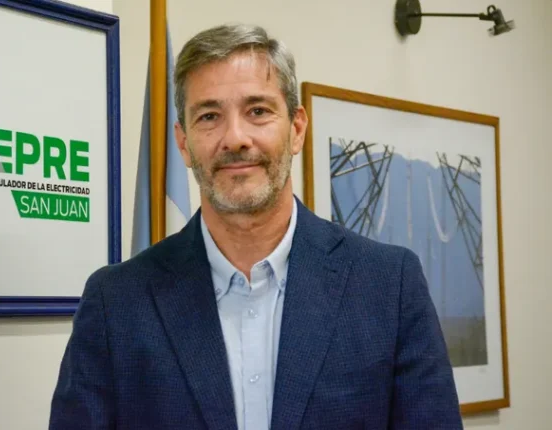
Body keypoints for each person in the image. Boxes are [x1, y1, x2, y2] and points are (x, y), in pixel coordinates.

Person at [49, 23, 463, 430]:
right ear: (184, 143)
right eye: (209, 116)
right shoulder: (116, 303)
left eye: (258, 111)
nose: (235, 138)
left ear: (296, 129)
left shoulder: (389, 286)